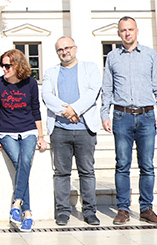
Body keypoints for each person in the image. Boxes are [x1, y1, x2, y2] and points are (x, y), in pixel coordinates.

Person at [101, 17, 157, 226]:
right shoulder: (112, 56)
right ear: (118, 33)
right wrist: (104, 114)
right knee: (122, 164)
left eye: (130, 29)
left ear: (137, 31)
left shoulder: (149, 54)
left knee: (147, 165)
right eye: (123, 30)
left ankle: (146, 208)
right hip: (122, 116)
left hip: (147, 116)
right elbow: (107, 88)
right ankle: (123, 209)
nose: (127, 33)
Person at [41, 37, 101, 227]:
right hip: (60, 130)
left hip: (85, 129)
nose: (64, 52)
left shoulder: (90, 68)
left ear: (75, 48)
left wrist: (74, 109)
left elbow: (93, 92)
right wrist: (67, 112)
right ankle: (63, 211)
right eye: (60, 49)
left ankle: (89, 211)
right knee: (61, 173)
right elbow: (47, 96)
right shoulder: (50, 72)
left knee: (87, 172)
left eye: (67, 48)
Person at [0, 49, 46, 232]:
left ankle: (17, 204)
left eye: (8, 65)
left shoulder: (30, 83)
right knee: (20, 164)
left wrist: (41, 136)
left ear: (18, 65)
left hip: (29, 130)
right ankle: (27, 213)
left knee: (25, 161)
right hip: (7, 132)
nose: (4, 69)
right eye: (2, 65)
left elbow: (36, 110)